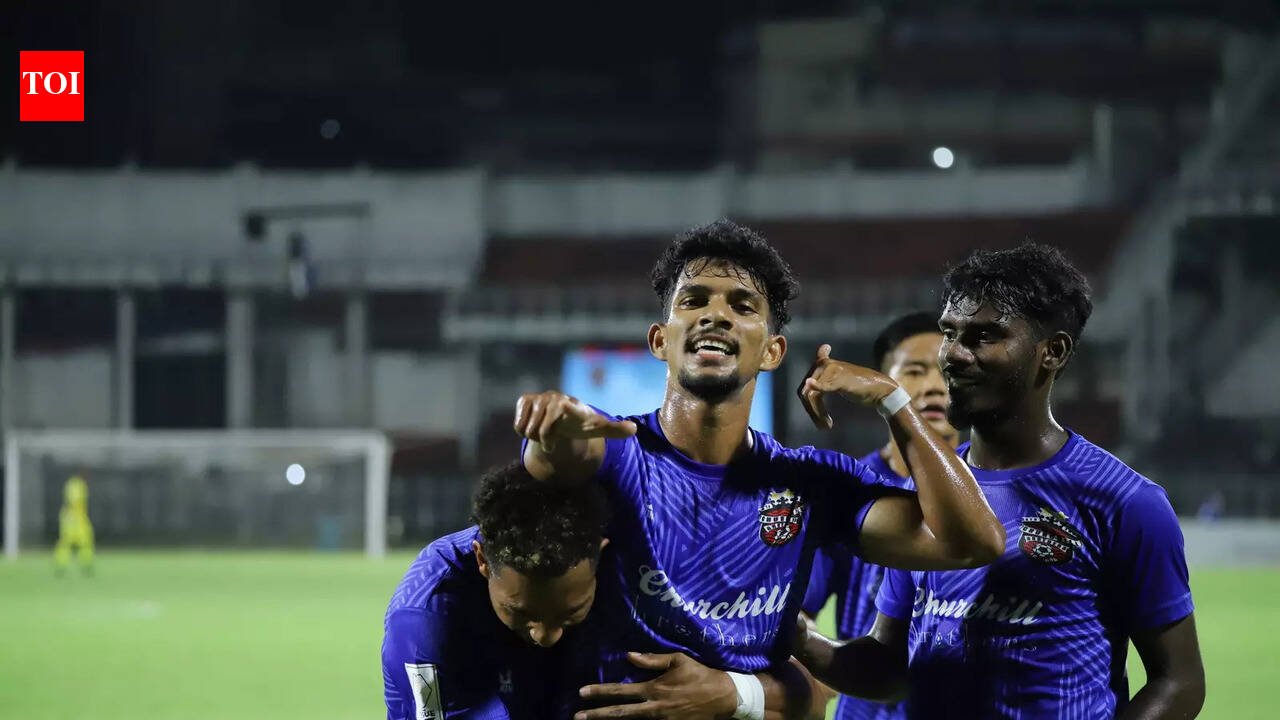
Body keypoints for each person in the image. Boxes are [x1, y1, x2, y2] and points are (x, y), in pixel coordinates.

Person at [513, 220, 1005, 719]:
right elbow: (557, 456)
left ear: (773, 351)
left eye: (743, 306)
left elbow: (974, 542)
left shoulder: (809, 483)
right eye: (694, 301)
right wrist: (550, 429)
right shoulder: (618, 451)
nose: (715, 315)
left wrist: (893, 400)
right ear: (660, 340)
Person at [793, 243, 1206, 719]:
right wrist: (799, 638)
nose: (954, 355)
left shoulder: (1123, 501)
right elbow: (889, 668)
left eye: (984, 336)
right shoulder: (926, 494)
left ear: (1052, 352)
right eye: (951, 333)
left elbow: (1179, 682)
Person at [800, 312, 961, 720]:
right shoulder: (850, 491)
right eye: (915, 371)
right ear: (880, 382)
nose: (933, 386)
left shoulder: (989, 493)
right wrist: (824, 671)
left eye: (945, 372)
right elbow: (798, 614)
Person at [382, 461, 609, 720]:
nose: (546, 637)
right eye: (522, 613)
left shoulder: (624, 574)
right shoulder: (426, 623)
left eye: (569, 613)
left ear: (599, 559)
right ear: (483, 561)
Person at [54, 473, 94, 576]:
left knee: (84, 543)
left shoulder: (76, 484)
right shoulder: (75, 485)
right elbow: (73, 501)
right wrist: (71, 516)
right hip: (73, 519)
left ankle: (86, 565)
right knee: (67, 543)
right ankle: (61, 566)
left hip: (78, 518)